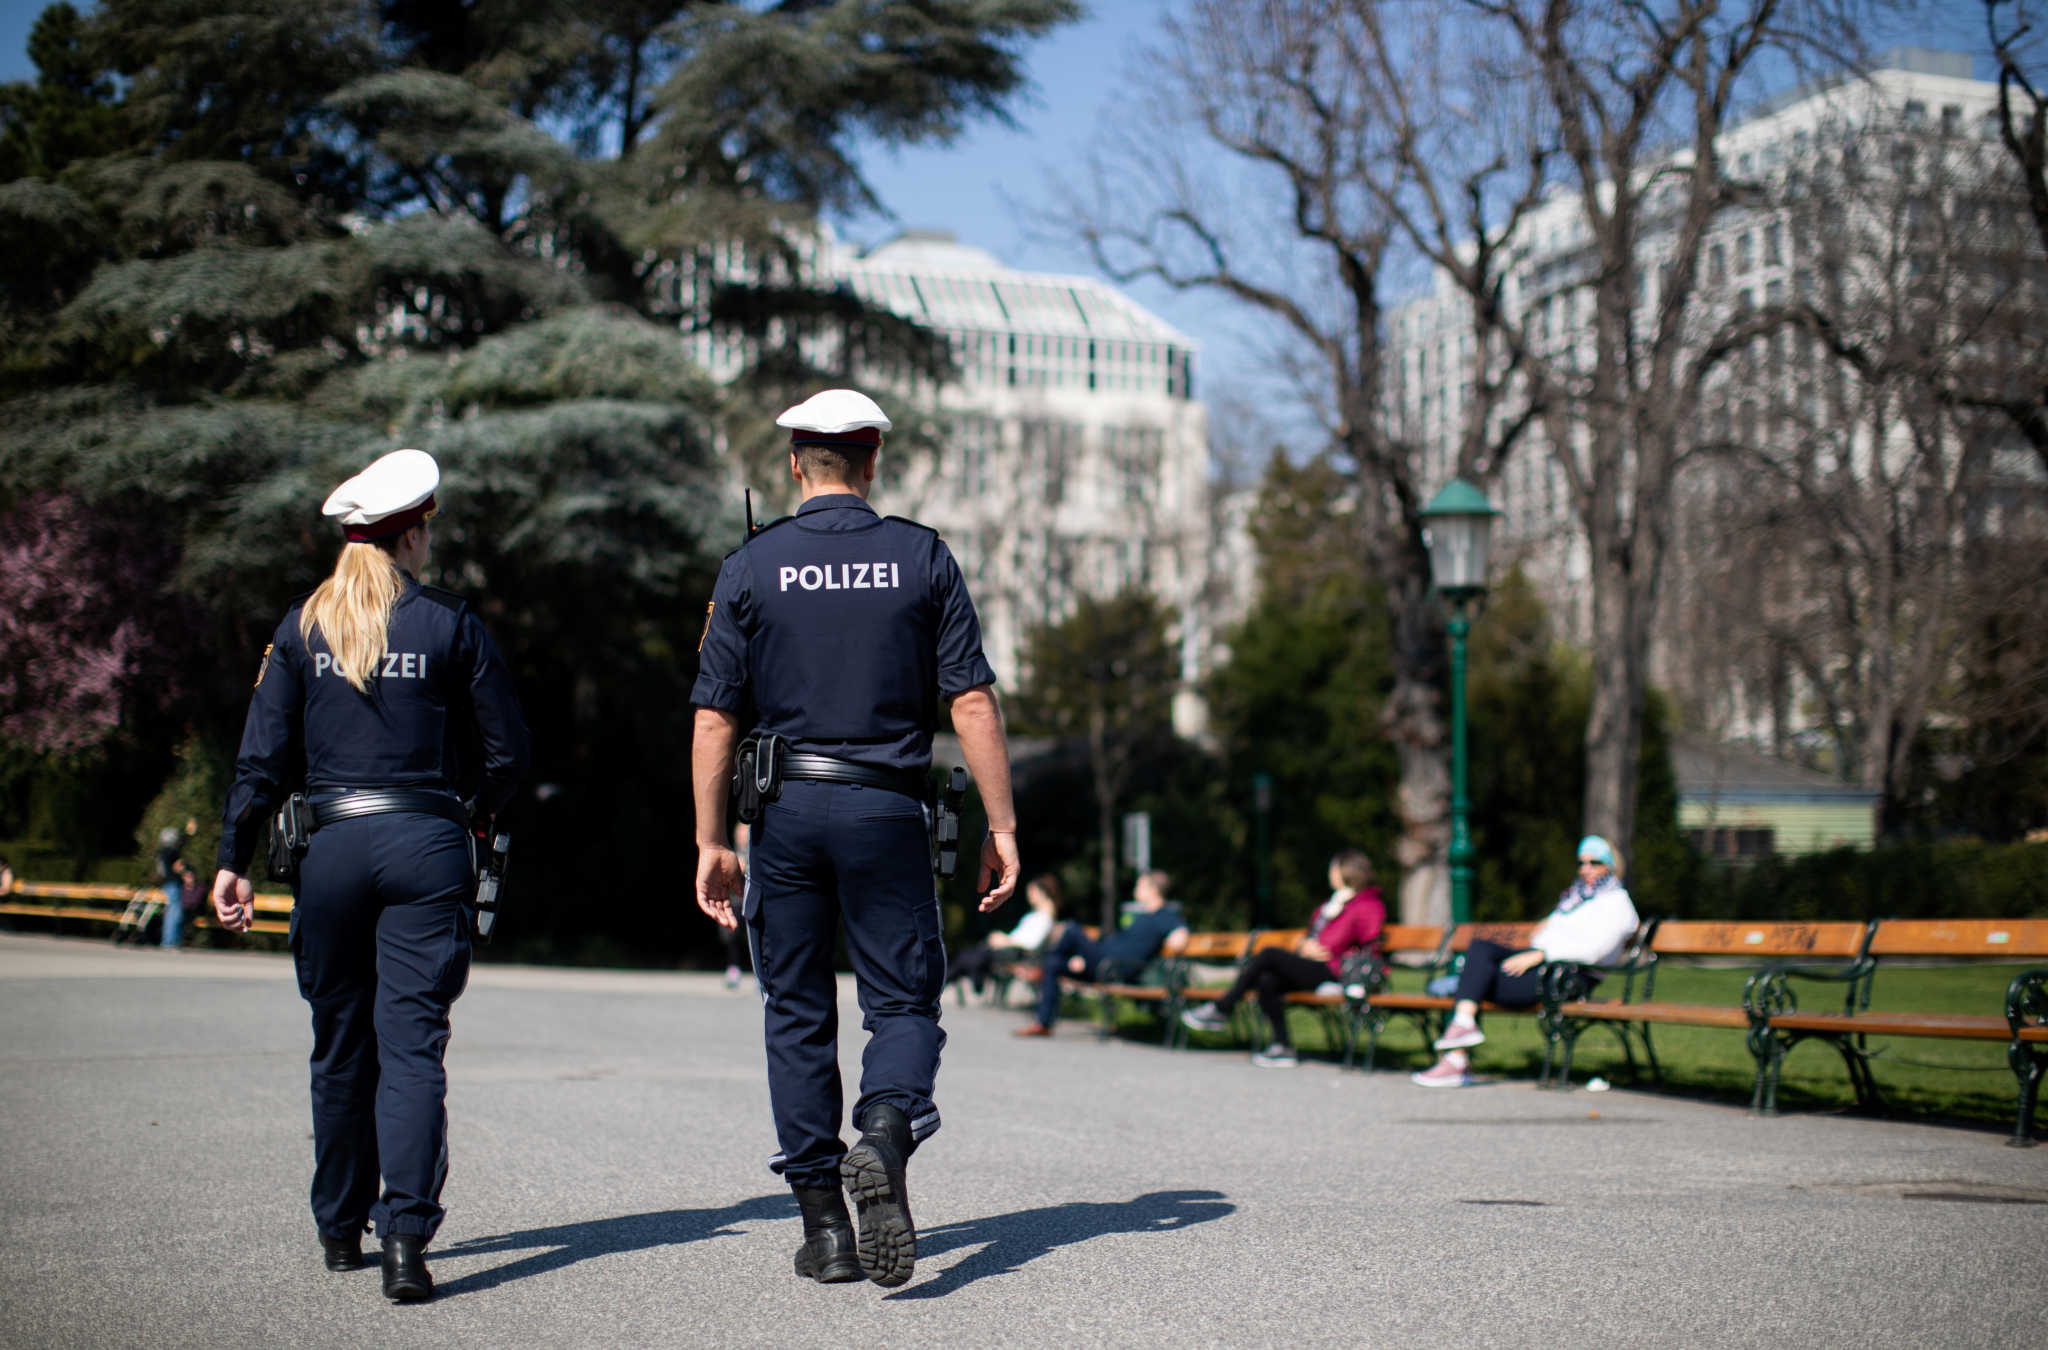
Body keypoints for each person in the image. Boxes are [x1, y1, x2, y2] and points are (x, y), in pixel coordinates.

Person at [691, 387, 1020, 1290]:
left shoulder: (751, 567)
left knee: (795, 1013)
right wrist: (1001, 823)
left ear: (796, 463)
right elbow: (973, 701)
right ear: (872, 460)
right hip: (885, 808)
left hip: (785, 814)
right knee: (904, 1006)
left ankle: (825, 1230)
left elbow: (715, 717)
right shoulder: (922, 556)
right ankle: (883, 1129)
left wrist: (710, 838)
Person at [210, 449, 530, 1301]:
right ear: (414, 533)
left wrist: (230, 861)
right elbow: (508, 754)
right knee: (414, 1047)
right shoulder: (452, 624)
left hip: (332, 849)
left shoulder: (300, 627)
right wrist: (470, 812)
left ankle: (339, 1228)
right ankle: (407, 1242)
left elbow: (261, 757)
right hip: (426, 843)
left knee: (340, 1043)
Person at [1411, 834, 1640, 1088]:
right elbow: (1545, 934)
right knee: (1480, 949)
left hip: (1567, 978)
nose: (1586, 869)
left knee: (1474, 981)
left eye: (1594, 862)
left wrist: (1542, 953)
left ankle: (1457, 1056)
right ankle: (1462, 1026)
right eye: (1581, 863)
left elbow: (1595, 950)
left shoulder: (1617, 904)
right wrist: (1545, 940)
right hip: (1546, 968)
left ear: (1611, 864)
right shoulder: (1576, 899)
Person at [1179, 849, 1386, 1067]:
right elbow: (1312, 937)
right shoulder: (1333, 904)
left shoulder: (1367, 904)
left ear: (1347, 871)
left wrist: (1330, 950)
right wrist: (1303, 945)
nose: (1330, 874)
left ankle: (1223, 1007)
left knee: (1269, 954)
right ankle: (1282, 1046)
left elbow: (1370, 944)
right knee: (1267, 979)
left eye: (1333, 869)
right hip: (1314, 965)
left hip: (1336, 970)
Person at [1014, 870, 1189, 1038]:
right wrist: (1082, 957)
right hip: (1103, 962)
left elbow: (1180, 935)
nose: (1136, 889)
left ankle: (1035, 967)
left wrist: (1176, 940)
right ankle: (1043, 1024)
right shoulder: (1141, 916)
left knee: (1072, 929)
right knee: (1054, 963)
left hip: (1117, 968)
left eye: (1140, 886)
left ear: (1153, 890)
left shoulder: (1165, 916)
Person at [947, 873, 1061, 1000]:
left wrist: (1005, 940)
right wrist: (1003, 939)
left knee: (971, 956)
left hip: (1018, 953)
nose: (1029, 895)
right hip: (1011, 948)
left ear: (1042, 893)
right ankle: (971, 981)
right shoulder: (1035, 915)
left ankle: (967, 982)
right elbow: (1019, 937)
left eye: (1032, 891)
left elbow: (1030, 944)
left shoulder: (1043, 918)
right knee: (970, 955)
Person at [154, 818, 198, 949]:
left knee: (172, 911)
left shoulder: (163, 852)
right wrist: (188, 834)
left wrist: (188, 834)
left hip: (169, 884)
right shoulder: (169, 852)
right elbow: (178, 854)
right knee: (175, 912)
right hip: (173, 884)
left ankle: (169, 940)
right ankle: (170, 941)